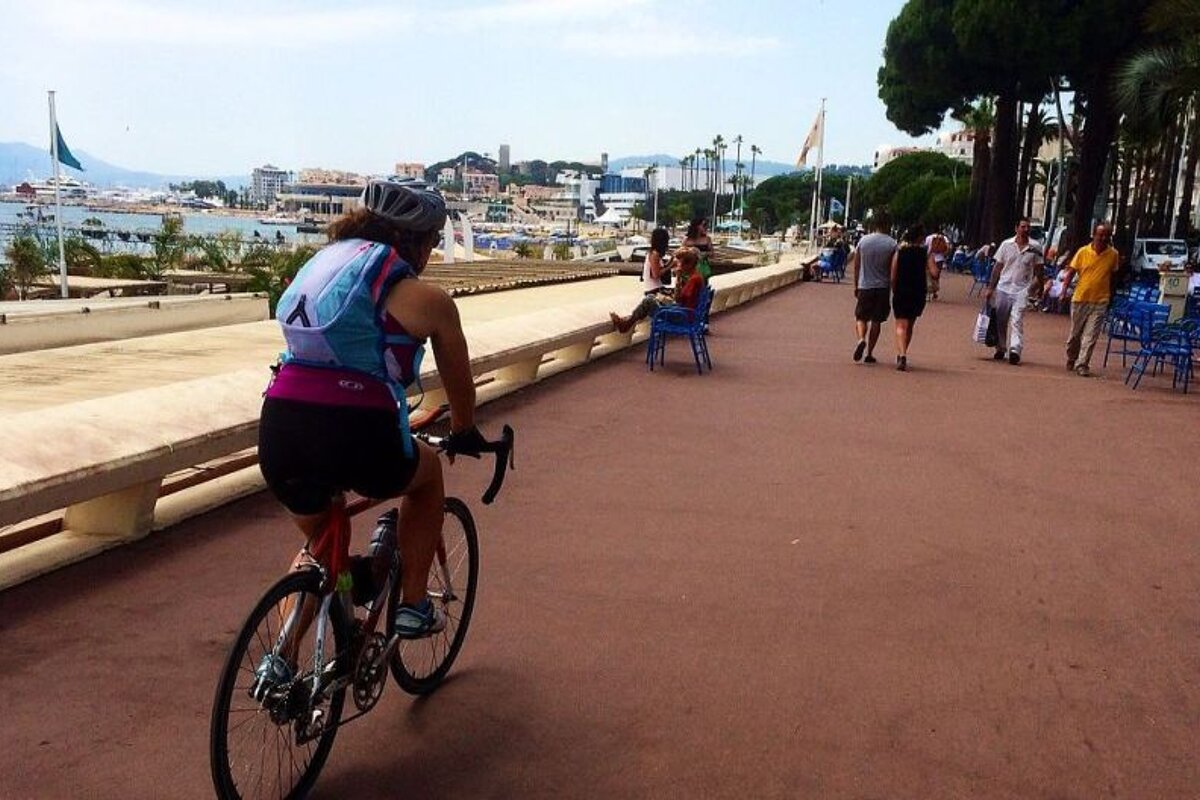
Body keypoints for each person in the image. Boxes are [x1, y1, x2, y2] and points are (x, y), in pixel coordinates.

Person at [258, 177, 483, 657]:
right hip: (358, 434)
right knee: (427, 476)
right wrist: (464, 430)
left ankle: (280, 660)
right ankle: (414, 605)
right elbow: (459, 384)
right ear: (414, 240)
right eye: (431, 241)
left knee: (321, 546)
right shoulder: (425, 299)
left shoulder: (323, 265)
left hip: (280, 427)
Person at [1061, 223, 1121, 376]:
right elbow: (1071, 272)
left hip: (1100, 300)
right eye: (1100, 235)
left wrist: (1112, 296)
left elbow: (1114, 276)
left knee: (1091, 335)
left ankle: (1082, 364)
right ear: (1094, 235)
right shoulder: (1083, 252)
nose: (1103, 238)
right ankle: (1072, 357)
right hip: (1080, 298)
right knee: (1075, 335)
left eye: (1107, 235)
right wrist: (1063, 291)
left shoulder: (1113, 254)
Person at [983, 218, 1043, 365]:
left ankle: (1015, 349)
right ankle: (1001, 347)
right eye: (1023, 227)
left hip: (1022, 289)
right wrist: (990, 287)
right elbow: (998, 267)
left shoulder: (1035, 247)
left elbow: (1039, 269)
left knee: (1017, 319)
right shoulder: (1006, 245)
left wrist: (1040, 286)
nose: (1025, 230)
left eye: (1028, 227)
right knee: (1001, 319)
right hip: (1004, 287)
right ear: (1016, 228)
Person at [610, 246, 705, 333]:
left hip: (682, 316)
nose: (678, 267)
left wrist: (678, 278)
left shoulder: (694, 280)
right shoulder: (696, 277)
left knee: (648, 301)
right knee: (651, 297)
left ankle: (627, 324)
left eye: (680, 264)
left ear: (688, 265)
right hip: (686, 313)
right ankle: (627, 323)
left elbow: (678, 299)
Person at [850, 215, 897, 364]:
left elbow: (856, 265)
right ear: (888, 225)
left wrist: (856, 285)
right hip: (882, 287)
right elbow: (893, 269)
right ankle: (869, 353)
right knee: (877, 320)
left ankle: (861, 339)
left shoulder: (863, 241)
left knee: (861, 317)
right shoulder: (892, 244)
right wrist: (893, 287)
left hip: (865, 285)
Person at [890, 224, 933, 371]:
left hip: (902, 290)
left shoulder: (900, 252)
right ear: (921, 238)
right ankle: (902, 353)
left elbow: (893, 274)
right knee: (910, 325)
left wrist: (894, 289)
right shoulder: (925, 253)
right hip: (918, 292)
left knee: (900, 325)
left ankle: (902, 354)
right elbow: (934, 272)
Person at [643, 227, 672, 292]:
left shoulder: (654, 253)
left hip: (656, 286)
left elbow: (660, 268)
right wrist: (670, 266)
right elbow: (656, 274)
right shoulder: (654, 254)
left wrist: (671, 260)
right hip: (653, 289)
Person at [923, 229, 949, 299]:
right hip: (940, 259)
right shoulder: (944, 237)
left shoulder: (928, 237)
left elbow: (925, 248)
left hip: (930, 258)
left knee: (929, 275)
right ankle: (934, 292)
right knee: (936, 276)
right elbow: (948, 248)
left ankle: (928, 292)